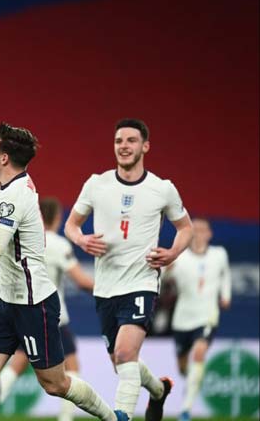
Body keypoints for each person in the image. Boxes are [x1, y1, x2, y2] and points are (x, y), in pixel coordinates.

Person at [0, 123, 127, 421]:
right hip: (4, 300)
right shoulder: (15, 187)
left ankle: (113, 418)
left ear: (5, 158)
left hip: (33, 304)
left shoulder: (12, 196)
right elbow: (1, 220)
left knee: (55, 384)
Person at [64, 118, 193, 421]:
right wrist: (82, 240)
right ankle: (158, 390)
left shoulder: (162, 189)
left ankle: (122, 415)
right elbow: (71, 225)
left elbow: (185, 228)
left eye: (131, 141)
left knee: (124, 354)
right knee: (119, 361)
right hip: (105, 287)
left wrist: (173, 251)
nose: (124, 146)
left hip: (142, 282)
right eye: (119, 141)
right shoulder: (97, 184)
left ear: (145, 146)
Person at [0, 197, 94, 421]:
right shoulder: (60, 245)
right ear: (58, 218)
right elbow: (81, 281)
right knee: (71, 365)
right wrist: (109, 291)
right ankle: (66, 418)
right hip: (54, 316)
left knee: (18, 364)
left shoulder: (27, 239)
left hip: (26, 312)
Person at [163, 218, 231, 421]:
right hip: (182, 318)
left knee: (199, 352)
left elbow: (225, 275)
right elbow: (163, 278)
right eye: (196, 230)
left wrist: (226, 295)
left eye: (204, 230)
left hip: (207, 316)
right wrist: (167, 272)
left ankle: (186, 409)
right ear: (190, 234)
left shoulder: (219, 254)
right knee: (183, 366)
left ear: (210, 234)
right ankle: (191, 381)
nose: (200, 233)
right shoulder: (180, 257)